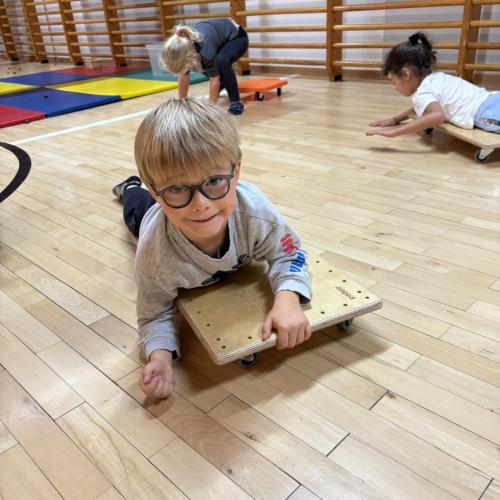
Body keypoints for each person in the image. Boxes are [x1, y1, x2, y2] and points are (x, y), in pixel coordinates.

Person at [112, 98, 312, 399]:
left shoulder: (255, 213)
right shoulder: (155, 256)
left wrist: (288, 299)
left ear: (237, 171)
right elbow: (153, 315)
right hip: (151, 216)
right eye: (177, 188)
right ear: (156, 189)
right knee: (135, 211)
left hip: (171, 209)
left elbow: (290, 252)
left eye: (215, 180)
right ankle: (131, 188)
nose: (201, 205)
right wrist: (160, 357)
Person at [367, 32, 499, 138]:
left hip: (486, 113)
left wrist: (394, 132)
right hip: (492, 98)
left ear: (406, 74)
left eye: (394, 82)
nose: (395, 88)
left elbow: (437, 116)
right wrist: (395, 120)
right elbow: (421, 107)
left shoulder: (423, 92)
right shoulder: (436, 78)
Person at [161, 19, 248, 115]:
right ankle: (223, 83)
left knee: (220, 61)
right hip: (217, 39)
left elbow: (214, 79)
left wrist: (209, 110)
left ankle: (235, 101)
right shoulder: (183, 47)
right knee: (202, 65)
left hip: (237, 37)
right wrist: (182, 105)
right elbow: (183, 77)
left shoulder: (204, 50)